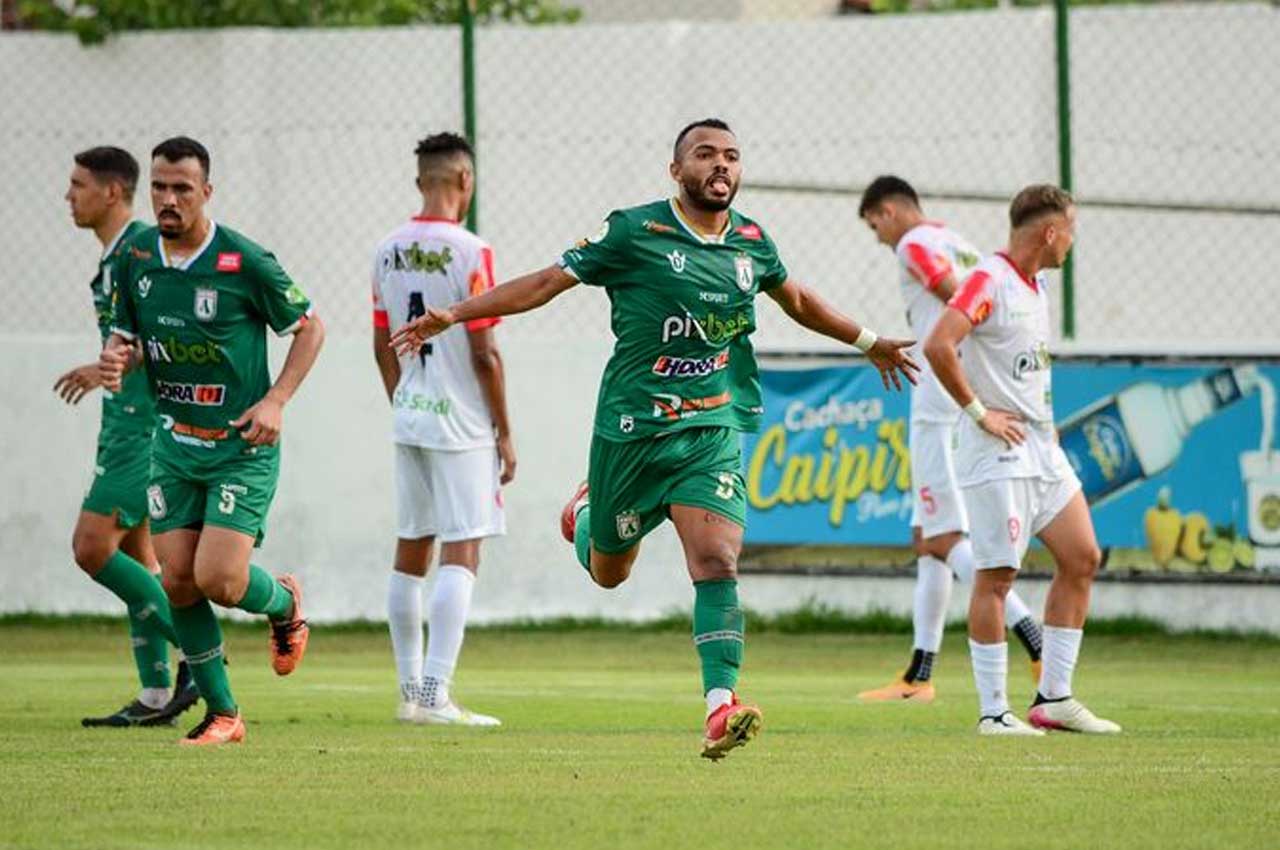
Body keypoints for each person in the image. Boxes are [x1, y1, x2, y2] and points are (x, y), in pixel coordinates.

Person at [390, 119, 918, 759]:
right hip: (633, 431)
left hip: (710, 426)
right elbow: (545, 283)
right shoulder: (633, 231)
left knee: (718, 559)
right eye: (704, 155)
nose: (720, 165)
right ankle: (587, 515)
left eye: (730, 156)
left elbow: (798, 299)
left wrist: (867, 341)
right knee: (610, 571)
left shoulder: (751, 241)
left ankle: (720, 707)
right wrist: (454, 313)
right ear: (676, 171)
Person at [99, 136, 326, 746]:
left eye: (181, 188)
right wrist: (118, 358)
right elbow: (126, 338)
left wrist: (276, 399)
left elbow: (310, 328)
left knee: (220, 580)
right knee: (177, 581)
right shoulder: (137, 257)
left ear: (207, 192)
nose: (168, 199)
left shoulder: (244, 261)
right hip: (172, 445)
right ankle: (225, 715)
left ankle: (282, 603)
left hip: (239, 448)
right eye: (159, 187)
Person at [924, 184, 1120, 735]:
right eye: (1071, 229)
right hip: (996, 451)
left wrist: (1048, 429)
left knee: (1082, 555)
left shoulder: (1035, 288)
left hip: (1041, 448)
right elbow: (941, 343)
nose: (1073, 242)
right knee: (997, 576)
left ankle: (1054, 698)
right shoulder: (990, 280)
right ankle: (993, 712)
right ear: (1050, 232)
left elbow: (1027, 369)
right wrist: (979, 410)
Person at [855, 176, 1043, 704]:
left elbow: (957, 298)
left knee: (942, 537)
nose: (879, 238)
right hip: (965, 387)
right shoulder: (958, 239)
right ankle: (920, 673)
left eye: (875, 225)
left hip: (937, 395)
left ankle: (1034, 635)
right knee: (927, 540)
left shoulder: (914, 244)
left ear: (889, 210)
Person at [372, 133, 514, 726]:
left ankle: (410, 693)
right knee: (463, 547)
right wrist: (504, 430)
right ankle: (436, 696)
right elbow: (485, 351)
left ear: (419, 181)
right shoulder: (471, 250)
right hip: (462, 423)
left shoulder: (385, 249)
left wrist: (402, 400)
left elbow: (382, 341)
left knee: (411, 550)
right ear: (465, 181)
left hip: (411, 414)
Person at [58, 145, 198, 727]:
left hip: (141, 427)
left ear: (112, 191)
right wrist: (108, 369)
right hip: (124, 419)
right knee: (142, 557)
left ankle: (199, 650)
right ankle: (156, 694)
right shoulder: (120, 255)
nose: (69, 196)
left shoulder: (141, 251)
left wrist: (118, 365)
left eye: (78, 185)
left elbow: (175, 325)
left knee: (93, 546)